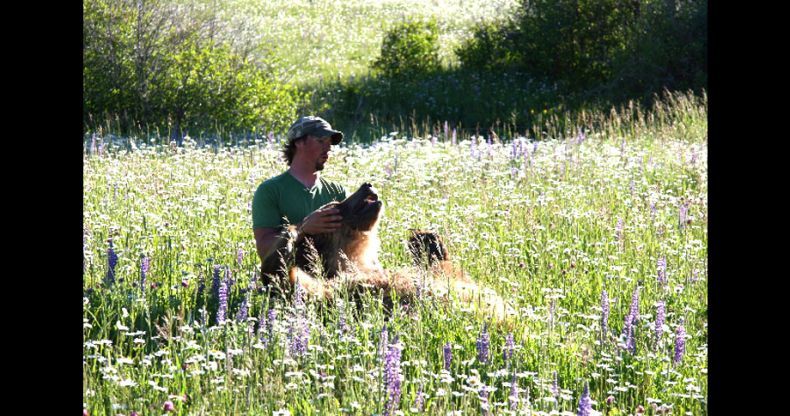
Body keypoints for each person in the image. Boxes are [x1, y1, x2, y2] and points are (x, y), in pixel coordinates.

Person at [252, 116, 347, 288]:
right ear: (299, 143)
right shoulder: (270, 190)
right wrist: (302, 228)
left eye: (330, 142)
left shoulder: (337, 191)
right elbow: (265, 251)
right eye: (321, 140)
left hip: (334, 286)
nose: (328, 148)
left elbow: (351, 246)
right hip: (288, 287)